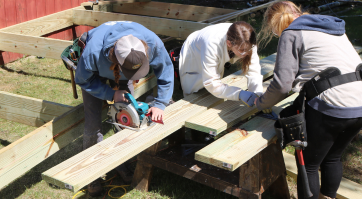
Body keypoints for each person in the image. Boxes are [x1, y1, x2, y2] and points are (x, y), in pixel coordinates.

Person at [254, 1, 362, 199]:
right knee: (332, 157)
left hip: (334, 102)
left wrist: (261, 103)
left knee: (309, 163)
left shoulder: (291, 33)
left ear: (275, 25)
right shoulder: (331, 28)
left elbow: (282, 85)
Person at [75, 21, 174, 196]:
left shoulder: (152, 42)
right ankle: (92, 173)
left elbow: (165, 70)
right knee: (93, 124)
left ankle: (121, 163)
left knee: (127, 117)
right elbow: (83, 79)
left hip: (121, 65)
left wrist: (160, 104)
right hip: (94, 75)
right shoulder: (93, 52)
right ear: (117, 61)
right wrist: (110, 94)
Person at [179, 21, 265, 108]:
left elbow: (254, 71)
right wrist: (239, 93)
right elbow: (211, 82)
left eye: (248, 49)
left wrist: (258, 95)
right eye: (242, 50)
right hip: (193, 54)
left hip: (212, 46)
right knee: (193, 98)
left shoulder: (248, 39)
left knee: (214, 96)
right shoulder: (212, 45)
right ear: (229, 43)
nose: (246, 53)